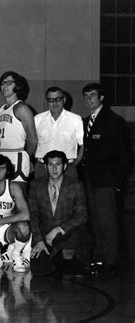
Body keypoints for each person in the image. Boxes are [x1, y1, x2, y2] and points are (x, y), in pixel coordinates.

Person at [80, 83, 132, 274]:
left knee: (107, 221)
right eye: (85, 96)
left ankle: (111, 261)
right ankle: (99, 258)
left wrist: (117, 182)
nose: (88, 99)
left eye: (92, 96)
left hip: (106, 181)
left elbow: (124, 155)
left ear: (101, 98)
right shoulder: (85, 122)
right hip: (89, 179)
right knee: (95, 221)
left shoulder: (113, 121)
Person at [29, 150, 88, 276]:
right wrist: (39, 240)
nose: (54, 168)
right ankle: (59, 259)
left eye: (58, 164)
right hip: (46, 235)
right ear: (45, 167)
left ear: (65, 166)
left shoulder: (76, 185)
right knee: (39, 268)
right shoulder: (36, 185)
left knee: (80, 237)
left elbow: (82, 216)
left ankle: (69, 257)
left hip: (67, 232)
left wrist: (59, 229)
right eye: (50, 164)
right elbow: (33, 216)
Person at [0, 71, 37, 192]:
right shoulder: (1, 109)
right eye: (3, 83)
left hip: (17, 156)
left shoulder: (22, 108)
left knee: (18, 199)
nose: (5, 86)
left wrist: (26, 156)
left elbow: (33, 140)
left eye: (9, 83)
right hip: (3, 156)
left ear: (17, 85)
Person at [34, 87, 84, 178]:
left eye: (58, 99)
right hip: (42, 168)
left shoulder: (75, 119)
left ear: (64, 100)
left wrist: (72, 165)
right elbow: (32, 142)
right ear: (47, 101)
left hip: (67, 168)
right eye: (51, 100)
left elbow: (82, 146)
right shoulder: (37, 119)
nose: (54, 103)